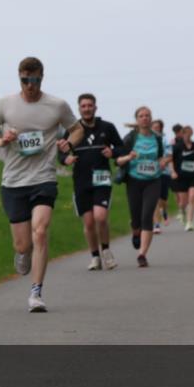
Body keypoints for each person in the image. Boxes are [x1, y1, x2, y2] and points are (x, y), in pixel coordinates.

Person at [0, 58, 84, 312]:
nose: (30, 86)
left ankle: (36, 292)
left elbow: (77, 129)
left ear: (42, 78)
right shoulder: (5, 105)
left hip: (43, 178)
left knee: (40, 232)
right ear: (19, 77)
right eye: (25, 80)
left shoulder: (56, 105)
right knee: (23, 245)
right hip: (13, 181)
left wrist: (69, 143)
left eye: (35, 80)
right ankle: (22, 254)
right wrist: (2, 139)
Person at [57, 93, 123, 274]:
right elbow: (61, 153)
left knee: (100, 217)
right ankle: (95, 256)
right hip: (81, 181)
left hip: (102, 180)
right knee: (88, 222)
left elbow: (122, 147)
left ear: (95, 107)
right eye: (83, 106)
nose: (87, 109)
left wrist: (113, 152)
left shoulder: (107, 127)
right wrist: (66, 159)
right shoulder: (72, 131)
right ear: (79, 109)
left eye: (90, 105)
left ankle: (107, 251)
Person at [116, 106, 166, 267]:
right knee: (136, 217)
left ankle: (142, 254)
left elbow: (160, 158)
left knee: (147, 215)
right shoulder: (130, 138)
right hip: (134, 181)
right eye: (141, 116)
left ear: (151, 119)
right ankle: (136, 231)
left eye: (147, 115)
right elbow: (118, 160)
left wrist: (162, 163)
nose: (145, 118)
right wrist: (129, 157)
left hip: (153, 180)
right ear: (137, 119)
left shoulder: (157, 138)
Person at [171, 125, 194, 231]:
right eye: (185, 133)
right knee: (183, 202)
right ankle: (181, 211)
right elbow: (171, 160)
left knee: (192, 197)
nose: (187, 135)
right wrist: (172, 171)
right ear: (182, 133)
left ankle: (189, 222)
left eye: (190, 133)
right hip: (181, 176)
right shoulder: (177, 147)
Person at [151, 119, 172, 233]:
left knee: (162, 199)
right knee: (154, 199)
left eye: (157, 127)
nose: (155, 128)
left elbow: (169, 155)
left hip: (164, 172)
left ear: (161, 128)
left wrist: (164, 162)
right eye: (153, 126)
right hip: (151, 173)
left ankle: (164, 211)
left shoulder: (165, 140)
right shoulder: (147, 139)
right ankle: (156, 224)